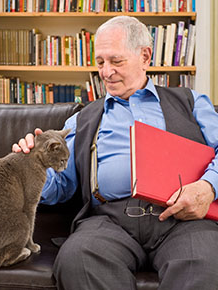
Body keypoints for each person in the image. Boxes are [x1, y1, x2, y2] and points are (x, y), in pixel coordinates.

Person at [12, 16, 218, 290]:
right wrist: (31, 168)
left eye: (116, 61)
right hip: (109, 222)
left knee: (205, 261)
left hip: (184, 221)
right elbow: (60, 185)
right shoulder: (82, 120)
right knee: (78, 259)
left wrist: (208, 187)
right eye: (100, 62)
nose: (106, 72)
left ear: (145, 56)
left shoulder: (191, 103)